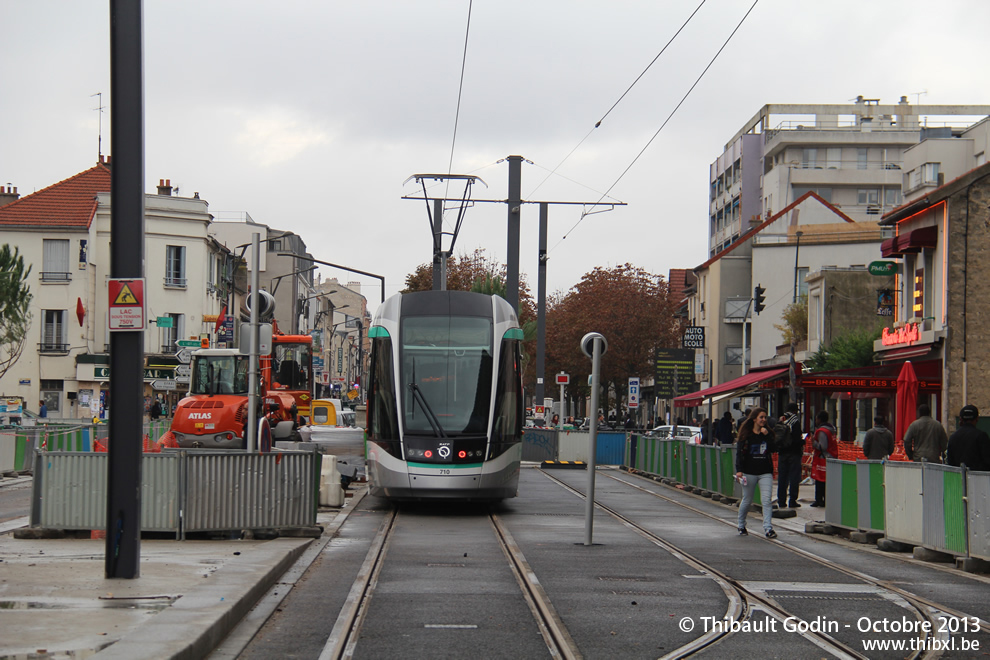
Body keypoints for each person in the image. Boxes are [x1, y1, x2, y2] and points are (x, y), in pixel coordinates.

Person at [735, 407, 777, 539]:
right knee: (747, 500)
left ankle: (768, 528)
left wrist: (767, 435)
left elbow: (774, 448)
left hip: (765, 472)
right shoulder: (746, 435)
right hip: (749, 472)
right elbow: (739, 454)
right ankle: (741, 525)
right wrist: (739, 471)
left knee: (766, 500)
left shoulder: (767, 433)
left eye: (765, 417)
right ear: (754, 419)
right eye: (761, 417)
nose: (764, 420)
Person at [775, 402, 803, 509]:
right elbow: (796, 439)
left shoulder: (781, 419)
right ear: (795, 410)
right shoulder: (795, 420)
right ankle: (792, 500)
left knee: (782, 478)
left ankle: (781, 500)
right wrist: (802, 442)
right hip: (794, 453)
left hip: (782, 452)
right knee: (794, 477)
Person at [946, 405, 990, 471]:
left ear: (961, 419)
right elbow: (987, 459)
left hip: (958, 478)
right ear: (977, 418)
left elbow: (950, 461)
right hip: (978, 478)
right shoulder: (981, 436)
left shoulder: (953, 437)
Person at [810, 410, 837, 507]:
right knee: (826, 480)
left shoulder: (821, 431)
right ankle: (826, 498)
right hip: (831, 456)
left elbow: (823, 446)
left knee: (820, 479)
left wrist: (814, 442)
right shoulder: (831, 429)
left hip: (822, 458)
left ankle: (819, 500)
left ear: (819, 419)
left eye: (816, 418)